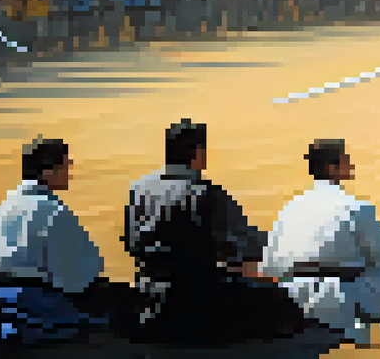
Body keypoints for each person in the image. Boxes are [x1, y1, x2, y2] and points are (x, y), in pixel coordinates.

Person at [0, 139, 134, 353]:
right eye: (65, 166)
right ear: (48, 172)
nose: (69, 173)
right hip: (24, 305)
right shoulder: (52, 211)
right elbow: (79, 277)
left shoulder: (3, 207)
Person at [124, 120, 308, 344]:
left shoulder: (139, 188)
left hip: (150, 295)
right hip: (198, 299)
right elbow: (248, 243)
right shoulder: (204, 193)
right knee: (281, 297)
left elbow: (131, 241)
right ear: (197, 153)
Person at [262, 140, 380, 347]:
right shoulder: (355, 206)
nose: (351, 165)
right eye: (346, 160)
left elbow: (270, 261)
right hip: (345, 290)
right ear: (332, 168)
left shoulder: (289, 207)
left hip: (290, 290)